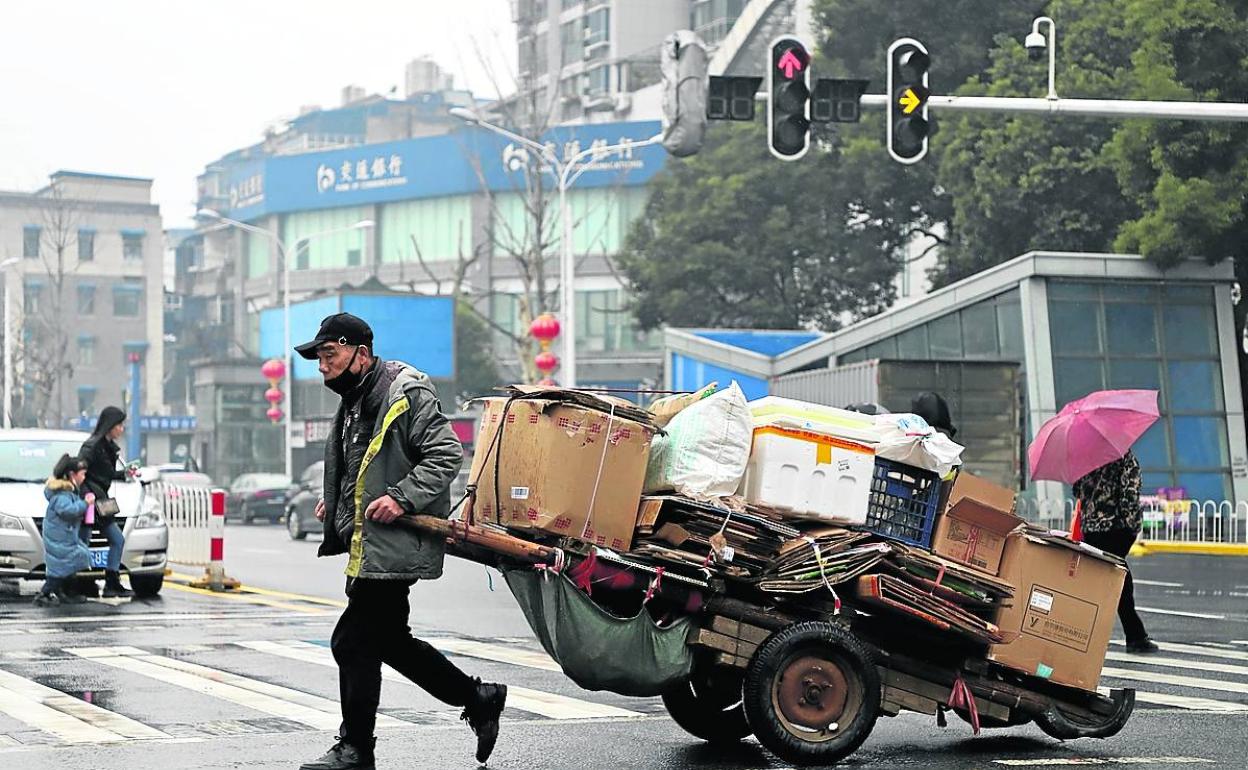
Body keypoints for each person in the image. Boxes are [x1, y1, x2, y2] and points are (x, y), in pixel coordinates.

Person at [295, 313, 507, 770]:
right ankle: (479, 697)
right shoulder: (356, 399)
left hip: (392, 544)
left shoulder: (404, 392)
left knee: (351, 642)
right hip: (370, 545)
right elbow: (363, 466)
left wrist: (401, 498)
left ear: (361, 353)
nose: (322, 366)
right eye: (320, 359)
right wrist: (336, 505)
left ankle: (357, 749)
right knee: (388, 642)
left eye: (329, 355)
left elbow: (447, 453)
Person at [1073, 449, 1159, 654]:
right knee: (1119, 578)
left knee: (1107, 578)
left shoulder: (1087, 458)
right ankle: (1135, 636)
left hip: (1091, 530)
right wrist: (1133, 526)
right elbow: (1129, 494)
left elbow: (1077, 490)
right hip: (1115, 528)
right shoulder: (1125, 459)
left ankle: (1088, 632)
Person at [77, 406, 134, 599]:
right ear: (110, 425)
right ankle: (81, 583)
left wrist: (124, 474)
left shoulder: (108, 447)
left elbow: (105, 474)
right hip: (90, 503)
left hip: (102, 501)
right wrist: (86, 497)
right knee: (83, 542)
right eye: (119, 425)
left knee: (117, 540)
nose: (121, 429)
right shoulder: (91, 446)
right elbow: (79, 474)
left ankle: (112, 582)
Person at [33, 455, 96, 607]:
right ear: (72, 475)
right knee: (61, 567)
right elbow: (67, 511)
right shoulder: (62, 495)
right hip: (60, 537)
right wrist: (85, 504)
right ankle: (45, 593)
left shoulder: (66, 492)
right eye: (82, 474)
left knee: (66, 564)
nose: (84, 477)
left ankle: (65, 592)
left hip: (63, 535)